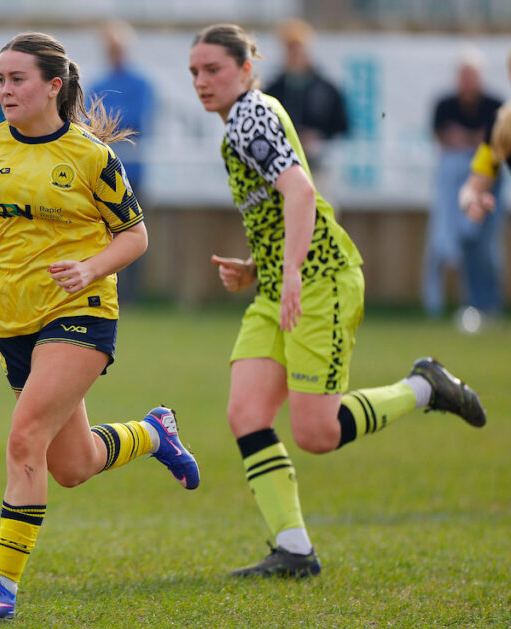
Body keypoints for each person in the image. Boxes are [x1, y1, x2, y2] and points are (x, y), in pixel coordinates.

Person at [189, 23, 487, 578]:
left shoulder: (251, 117)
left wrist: (292, 271)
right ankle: (294, 549)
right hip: (282, 284)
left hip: (320, 281)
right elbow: (285, 206)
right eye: (194, 73)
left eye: (213, 70)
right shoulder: (243, 121)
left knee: (317, 433)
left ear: (246, 70)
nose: (201, 81)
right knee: (247, 413)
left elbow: (301, 192)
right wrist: (259, 267)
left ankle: (425, 386)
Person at [0, 32, 199, 621]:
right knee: (72, 465)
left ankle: (2, 589)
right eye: (0, 80)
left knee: (24, 439)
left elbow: (135, 236)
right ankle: (154, 433)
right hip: (14, 320)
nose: (6, 90)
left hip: (81, 313)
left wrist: (90, 268)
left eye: (18, 79)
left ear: (53, 86)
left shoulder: (92, 157)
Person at [424, 48, 504, 325]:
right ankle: (470, 304)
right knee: (458, 242)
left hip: (488, 182)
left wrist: (469, 141)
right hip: (461, 186)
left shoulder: (496, 106)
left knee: (485, 245)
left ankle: (489, 305)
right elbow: (444, 137)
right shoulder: (445, 105)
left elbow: (492, 144)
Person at [89, 20, 156, 305]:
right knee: (101, 235)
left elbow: (136, 121)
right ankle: (106, 289)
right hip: (100, 173)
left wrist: (106, 121)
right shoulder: (98, 84)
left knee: (131, 232)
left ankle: (130, 295)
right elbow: (89, 122)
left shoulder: (141, 84)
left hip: (131, 171)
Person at [263, 19, 348, 173]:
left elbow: (342, 125)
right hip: (281, 166)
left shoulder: (326, 88)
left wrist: (318, 136)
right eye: (290, 49)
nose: (295, 56)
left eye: (298, 49)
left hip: (319, 163)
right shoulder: (273, 90)